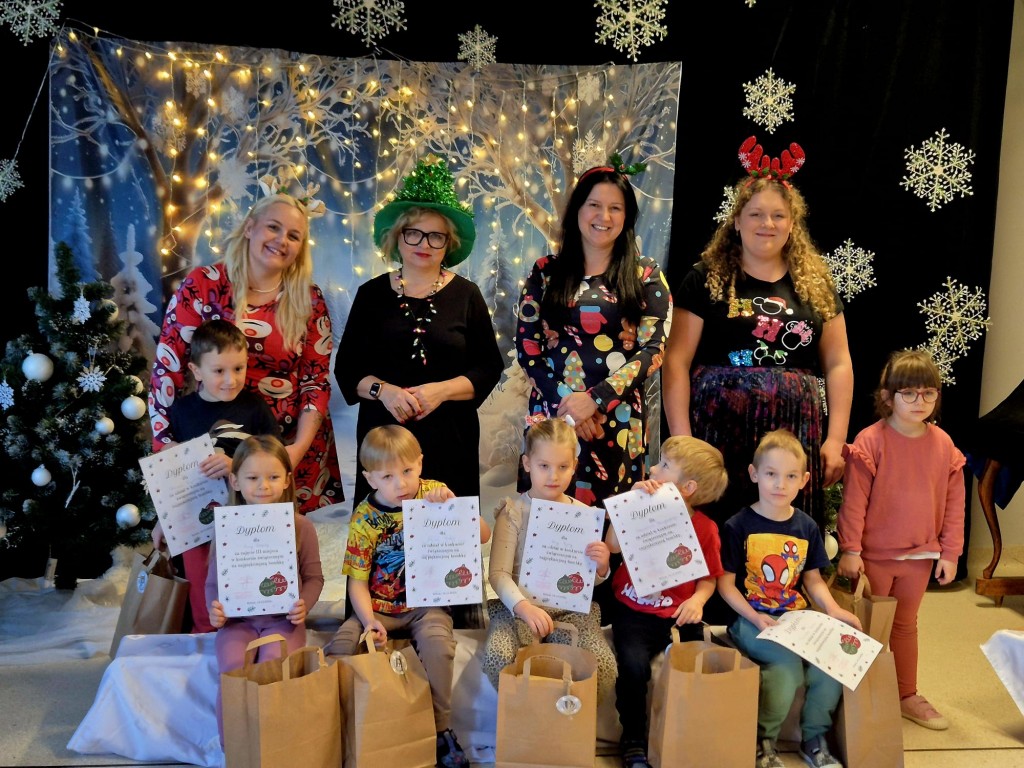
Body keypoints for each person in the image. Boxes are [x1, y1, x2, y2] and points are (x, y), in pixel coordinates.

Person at [662, 136, 852, 531]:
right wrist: (684, 443)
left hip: (793, 432)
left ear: (792, 224)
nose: (767, 224)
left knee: (783, 534)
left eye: (778, 216)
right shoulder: (704, 279)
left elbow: (838, 363)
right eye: (756, 214)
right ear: (736, 221)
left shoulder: (816, 285)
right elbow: (676, 362)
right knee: (716, 529)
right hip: (717, 429)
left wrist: (835, 439)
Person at [150, 184, 342, 515]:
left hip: (283, 446)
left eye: (293, 235)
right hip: (211, 448)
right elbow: (168, 370)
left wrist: (294, 451)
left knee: (274, 541)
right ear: (250, 227)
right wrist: (166, 445)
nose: (282, 240)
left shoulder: (308, 299)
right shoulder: (203, 285)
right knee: (209, 535)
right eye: (273, 227)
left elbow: (315, 382)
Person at [336, 154, 503, 505]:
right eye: (414, 233)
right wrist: (385, 392)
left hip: (450, 439)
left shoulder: (468, 295)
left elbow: (489, 367)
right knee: (384, 533)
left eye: (436, 237)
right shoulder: (370, 295)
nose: (424, 244)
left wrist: (441, 391)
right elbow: (348, 369)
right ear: (397, 238)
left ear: (449, 244)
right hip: (385, 443)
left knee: (446, 534)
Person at [325, 425, 488, 768]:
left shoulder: (433, 493)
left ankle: (441, 729)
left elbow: (484, 535)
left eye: (408, 471)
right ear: (370, 479)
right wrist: (368, 621)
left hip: (426, 605)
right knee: (340, 646)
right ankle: (343, 727)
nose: (400, 483)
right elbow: (357, 582)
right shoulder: (364, 518)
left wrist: (455, 508)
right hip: (379, 607)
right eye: (388, 476)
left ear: (421, 464)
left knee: (439, 645)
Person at [514, 158, 672, 508]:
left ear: (627, 216)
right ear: (577, 210)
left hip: (617, 420)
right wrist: (570, 406)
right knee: (545, 521)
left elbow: (653, 349)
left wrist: (595, 400)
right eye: (594, 205)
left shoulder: (645, 274)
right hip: (553, 417)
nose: (604, 216)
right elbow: (528, 348)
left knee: (611, 523)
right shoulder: (546, 272)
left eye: (615, 208)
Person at [836, 349, 965, 731]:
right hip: (874, 556)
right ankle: (858, 697)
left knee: (905, 626)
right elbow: (854, 502)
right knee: (866, 628)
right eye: (908, 393)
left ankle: (906, 694)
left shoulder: (944, 445)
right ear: (888, 396)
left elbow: (955, 504)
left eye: (928, 393)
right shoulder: (871, 441)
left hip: (920, 557)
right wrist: (850, 549)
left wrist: (950, 553)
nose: (919, 401)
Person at [717, 429, 861, 768]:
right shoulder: (737, 525)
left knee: (832, 664)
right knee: (786, 670)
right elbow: (726, 585)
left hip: (797, 619)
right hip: (751, 619)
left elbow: (812, 580)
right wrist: (755, 618)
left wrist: (833, 609)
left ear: (804, 480)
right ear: (754, 474)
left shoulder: (806, 526)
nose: (780, 484)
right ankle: (764, 740)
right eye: (771, 474)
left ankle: (814, 738)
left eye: (791, 476)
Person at [604, 435, 727, 768]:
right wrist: (628, 504)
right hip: (634, 610)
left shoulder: (705, 529)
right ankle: (633, 738)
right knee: (633, 666)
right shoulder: (641, 508)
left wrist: (698, 601)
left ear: (688, 487)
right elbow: (612, 547)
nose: (654, 469)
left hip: (678, 614)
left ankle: (693, 735)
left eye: (665, 465)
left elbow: (709, 578)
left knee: (704, 662)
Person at [151, 318, 281, 633]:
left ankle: (246, 633)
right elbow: (174, 477)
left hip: (247, 517)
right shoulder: (182, 412)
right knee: (200, 587)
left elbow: (276, 461)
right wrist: (163, 519)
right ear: (196, 371)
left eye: (238, 369)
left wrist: (236, 464)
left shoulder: (255, 408)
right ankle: (205, 636)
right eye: (219, 371)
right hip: (197, 522)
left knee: (245, 580)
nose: (230, 380)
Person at [482, 416, 617, 704]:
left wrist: (602, 566)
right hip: (517, 608)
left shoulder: (583, 516)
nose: (553, 476)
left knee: (602, 666)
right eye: (544, 466)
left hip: (569, 610)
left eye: (563, 467)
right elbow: (498, 574)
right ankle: (527, 716)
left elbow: (585, 580)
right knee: (499, 657)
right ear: (527, 464)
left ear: (574, 466)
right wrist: (524, 608)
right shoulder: (513, 511)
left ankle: (566, 717)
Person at [205, 435, 324, 742]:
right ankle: (234, 748)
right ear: (235, 481)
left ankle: (274, 745)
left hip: (283, 621)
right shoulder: (225, 528)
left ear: (287, 480)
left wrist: (304, 604)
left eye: (273, 477)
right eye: (253, 478)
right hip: (237, 622)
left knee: (274, 667)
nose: (263, 486)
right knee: (233, 670)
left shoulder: (301, 527)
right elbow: (213, 583)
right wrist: (215, 609)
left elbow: (314, 578)